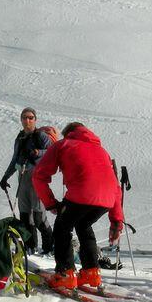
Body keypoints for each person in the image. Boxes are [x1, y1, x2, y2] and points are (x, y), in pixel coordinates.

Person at [32, 122, 124, 289]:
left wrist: (51, 204)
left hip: (82, 193)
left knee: (62, 228)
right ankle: (91, 271)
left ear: (68, 133)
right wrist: (116, 221)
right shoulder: (102, 151)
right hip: (107, 199)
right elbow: (116, 187)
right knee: (83, 224)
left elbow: (38, 176)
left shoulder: (63, 144)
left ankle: (65, 274)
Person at [0, 108, 54, 255]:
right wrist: (5, 177)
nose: (27, 120)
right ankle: (30, 248)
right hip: (23, 178)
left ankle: (49, 248)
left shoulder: (41, 136)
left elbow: (52, 152)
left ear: (35, 119)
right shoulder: (20, 138)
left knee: (38, 217)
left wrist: (38, 152)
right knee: (25, 217)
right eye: (24, 117)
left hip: (37, 180)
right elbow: (15, 160)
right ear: (21, 120)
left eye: (30, 117)